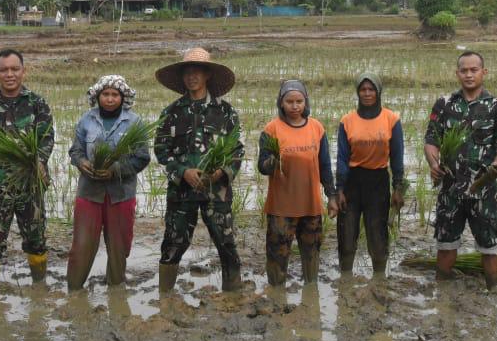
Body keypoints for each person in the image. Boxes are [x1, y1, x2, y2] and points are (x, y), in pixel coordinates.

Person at [154, 47, 245, 293]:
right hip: (181, 193)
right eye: (187, 72)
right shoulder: (171, 113)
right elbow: (162, 151)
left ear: (207, 76)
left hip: (217, 192)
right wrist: (183, 171)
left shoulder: (226, 112)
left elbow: (237, 151)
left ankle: (233, 295)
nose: (191, 77)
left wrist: (220, 173)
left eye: (197, 72)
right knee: (173, 243)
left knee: (226, 243)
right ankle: (165, 298)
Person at [424, 51, 497, 288]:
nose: (469, 74)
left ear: (484, 72)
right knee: (445, 245)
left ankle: (492, 291)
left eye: (474, 70)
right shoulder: (444, 105)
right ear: (457, 74)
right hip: (450, 190)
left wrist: (495, 165)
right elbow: (431, 139)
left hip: (483, 191)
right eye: (464, 70)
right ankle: (443, 292)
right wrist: (433, 164)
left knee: (490, 247)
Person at [0, 49, 55, 289]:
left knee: (36, 239)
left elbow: (46, 139)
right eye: (4, 70)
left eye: (15, 69)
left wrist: (40, 160)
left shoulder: (37, 104)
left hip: (30, 184)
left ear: (23, 71)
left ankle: (39, 290)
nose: (10, 74)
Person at [66, 75, 151, 291]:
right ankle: (74, 290)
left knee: (118, 246)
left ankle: (116, 289)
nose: (110, 99)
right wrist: (82, 162)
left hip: (121, 194)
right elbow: (75, 150)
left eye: (115, 95)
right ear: (97, 96)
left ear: (123, 98)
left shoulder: (134, 122)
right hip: (89, 193)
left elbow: (142, 157)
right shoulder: (87, 120)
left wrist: (116, 170)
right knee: (82, 245)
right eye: (106, 94)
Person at [258, 79, 335, 285]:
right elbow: (262, 166)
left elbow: (325, 165)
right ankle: (276, 295)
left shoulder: (316, 128)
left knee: (311, 253)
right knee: (277, 255)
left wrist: (332, 194)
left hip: (311, 206)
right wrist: (271, 162)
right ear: (281, 103)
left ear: (306, 102)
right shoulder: (271, 129)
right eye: (289, 101)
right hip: (281, 208)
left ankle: (311, 295)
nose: (294, 106)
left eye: (299, 101)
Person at [335, 73, 405, 277]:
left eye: (371, 89)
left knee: (378, 234)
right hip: (352, 182)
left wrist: (398, 187)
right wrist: (339, 189)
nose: (367, 93)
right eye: (363, 90)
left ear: (378, 92)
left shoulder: (391, 119)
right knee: (347, 235)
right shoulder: (347, 121)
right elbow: (341, 157)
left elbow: (397, 156)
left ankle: (379, 279)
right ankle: (345, 278)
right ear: (358, 92)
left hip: (378, 182)